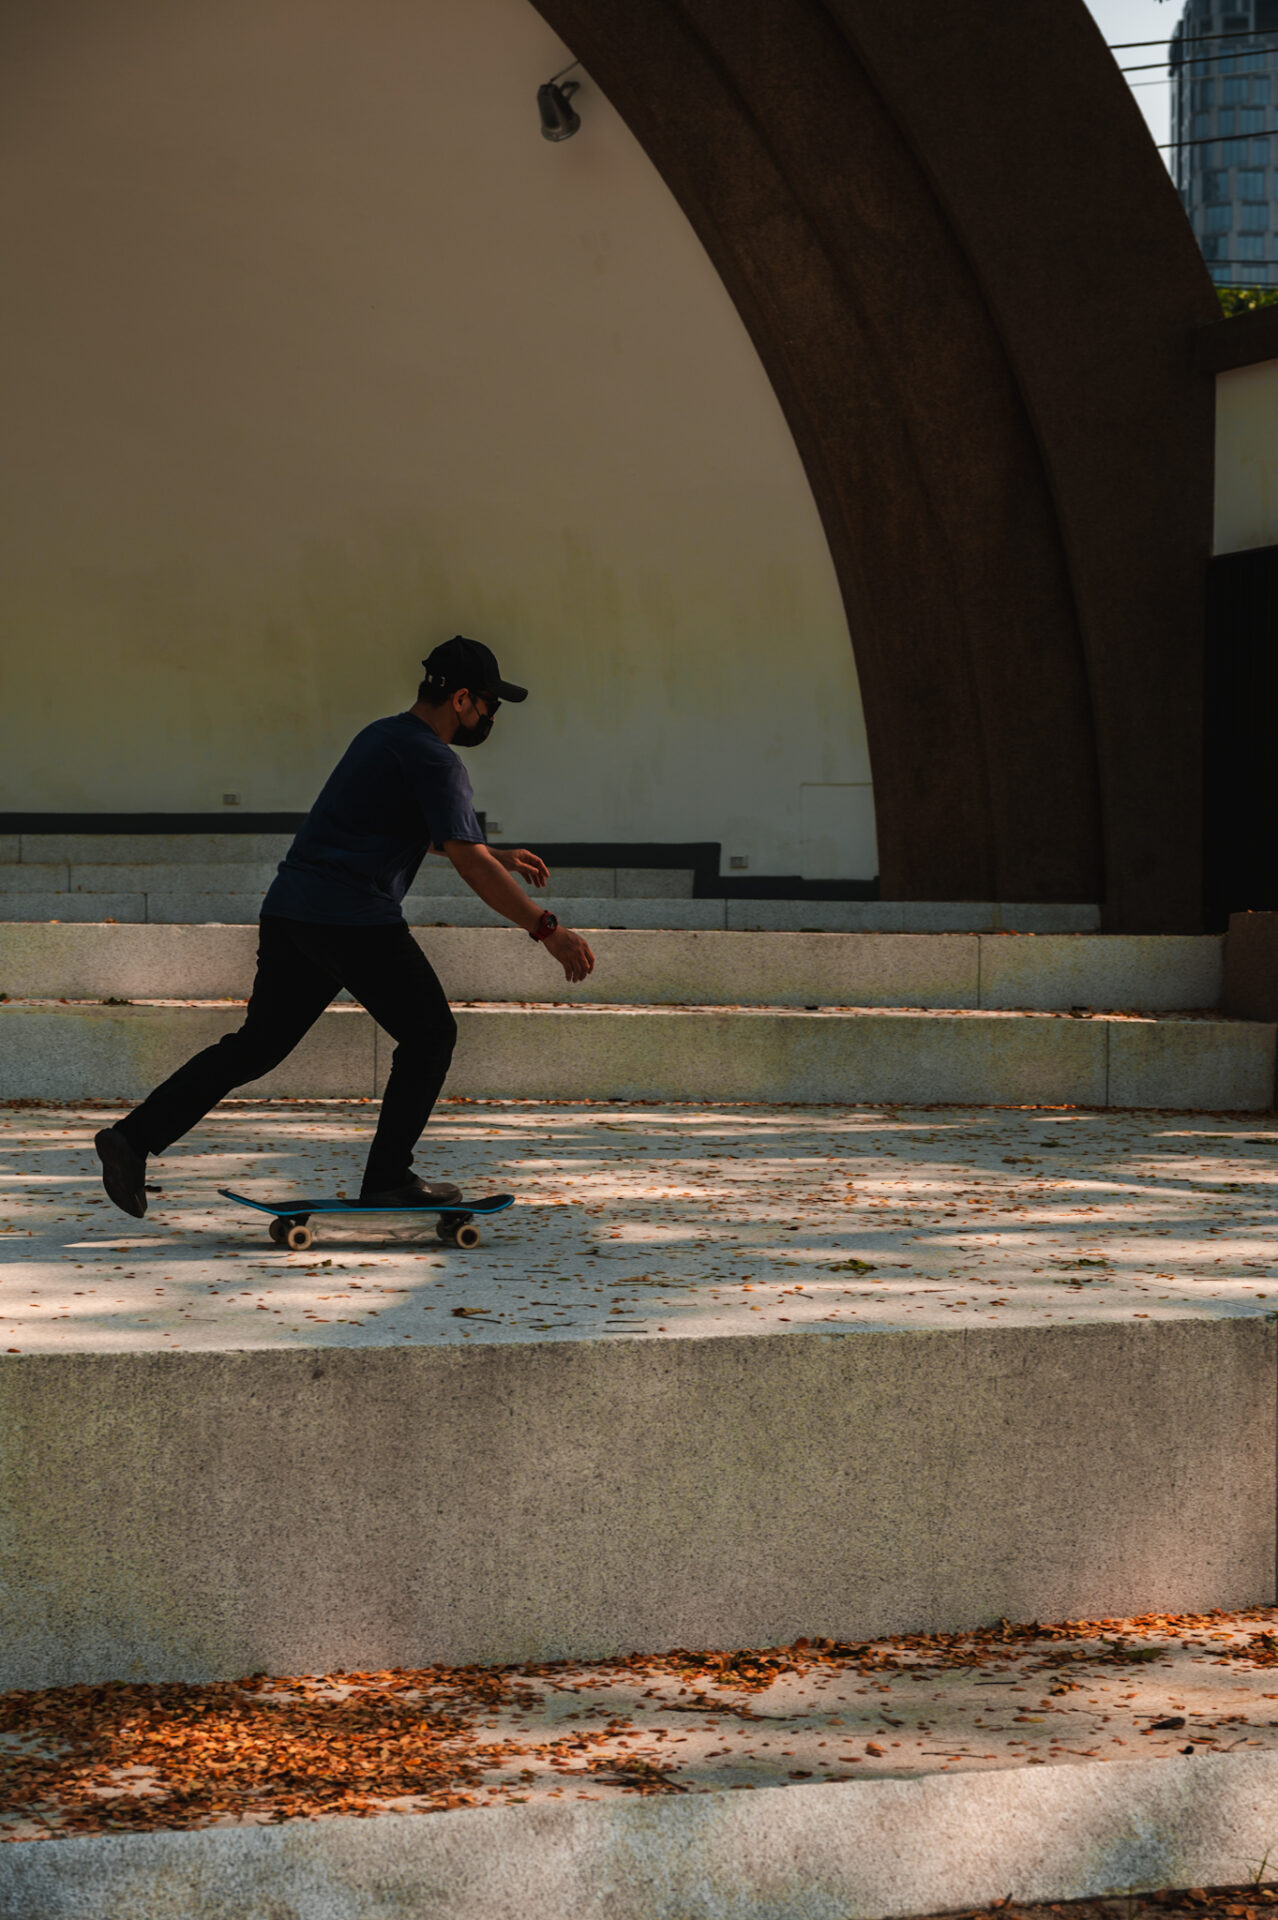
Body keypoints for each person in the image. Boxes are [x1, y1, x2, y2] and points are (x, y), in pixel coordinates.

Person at [93, 636, 596, 1219]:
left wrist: (492, 853)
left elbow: (406, 829)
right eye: (489, 705)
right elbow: (465, 858)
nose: (490, 717)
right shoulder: (437, 758)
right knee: (431, 1034)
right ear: (462, 699)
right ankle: (388, 1176)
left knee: (255, 1046)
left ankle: (132, 1138)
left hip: (292, 911)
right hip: (352, 917)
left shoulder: (380, 736)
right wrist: (548, 929)